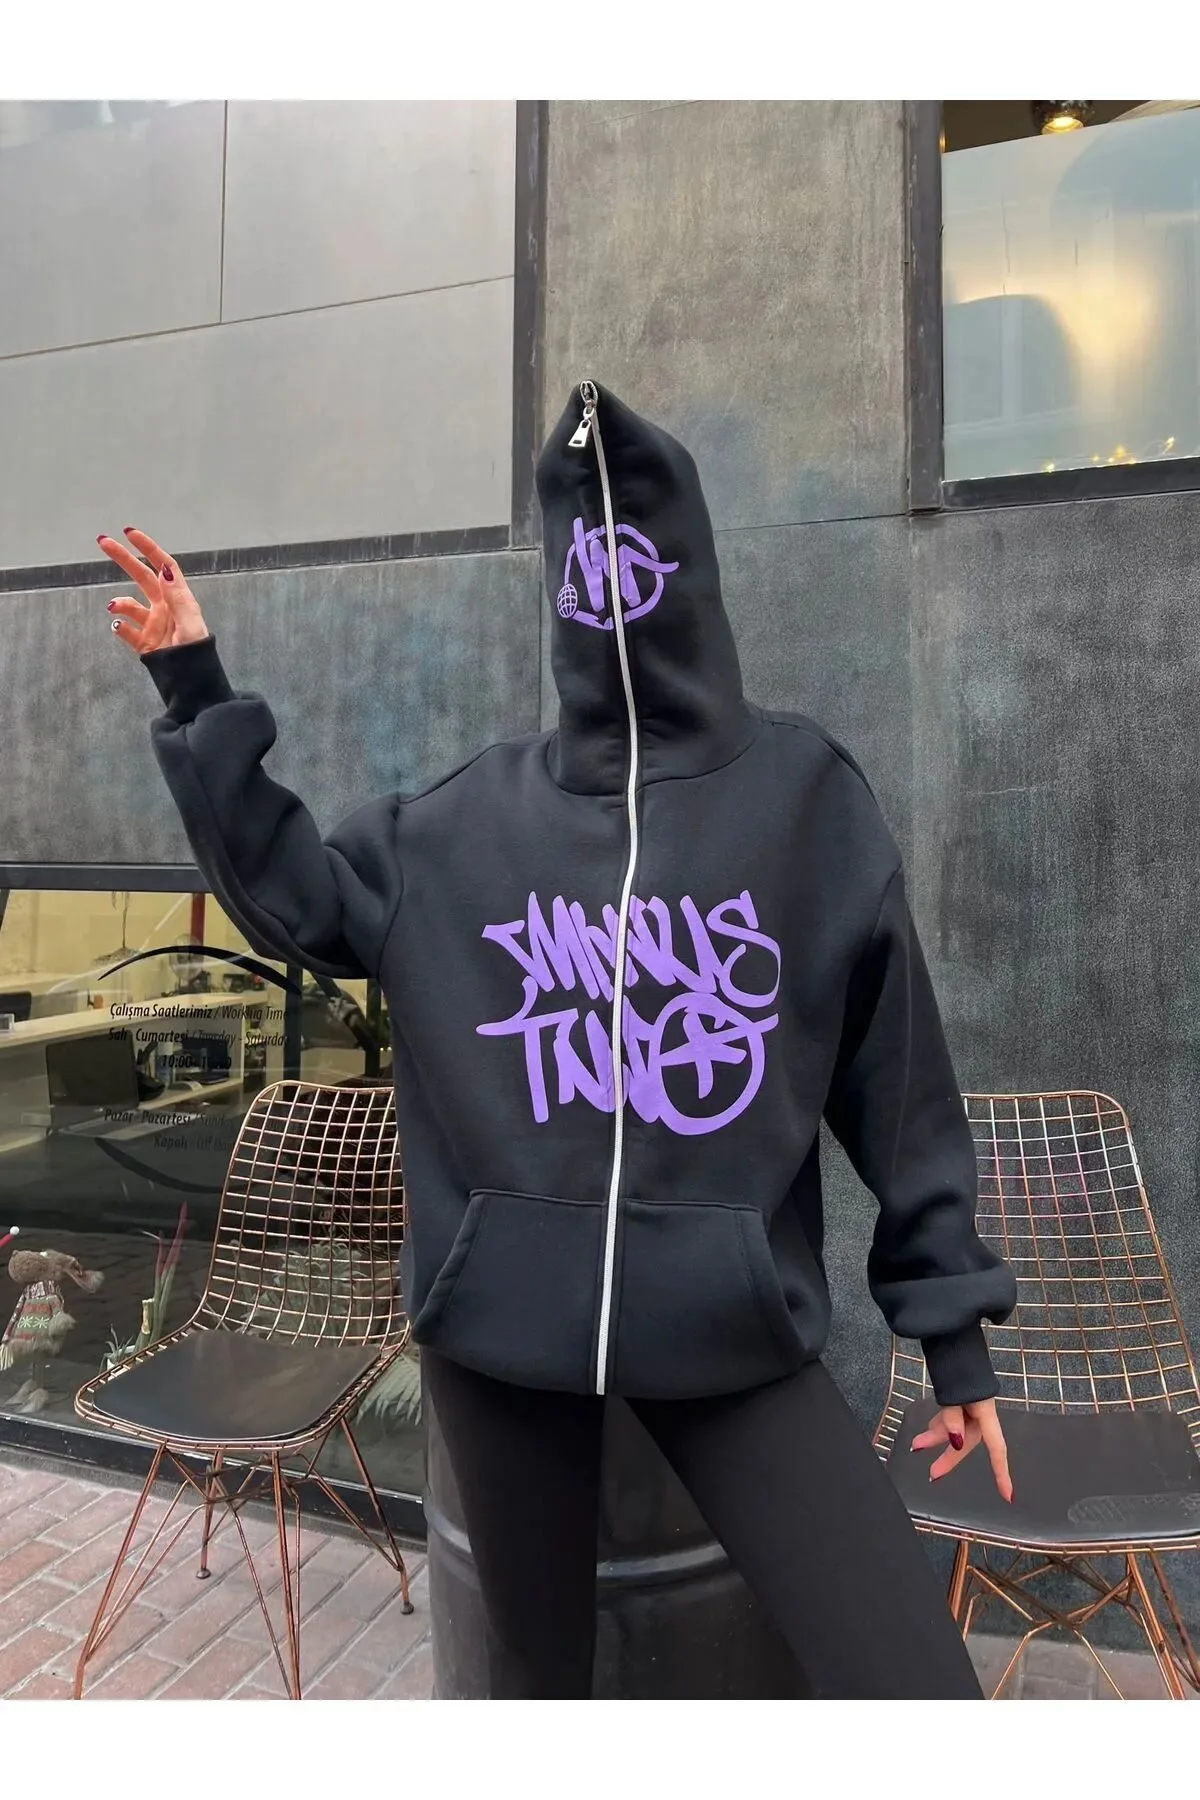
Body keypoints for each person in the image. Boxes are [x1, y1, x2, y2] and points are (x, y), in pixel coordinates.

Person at [99, 381, 1017, 1700]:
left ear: (690, 568)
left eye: (641, 557)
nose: (619, 596)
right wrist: (196, 686)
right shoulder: (465, 823)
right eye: (591, 567)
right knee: (532, 1691)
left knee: (912, 1683)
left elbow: (901, 1083)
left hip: (729, 1334)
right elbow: (298, 898)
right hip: (502, 1341)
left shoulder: (803, 802)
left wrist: (953, 1337)